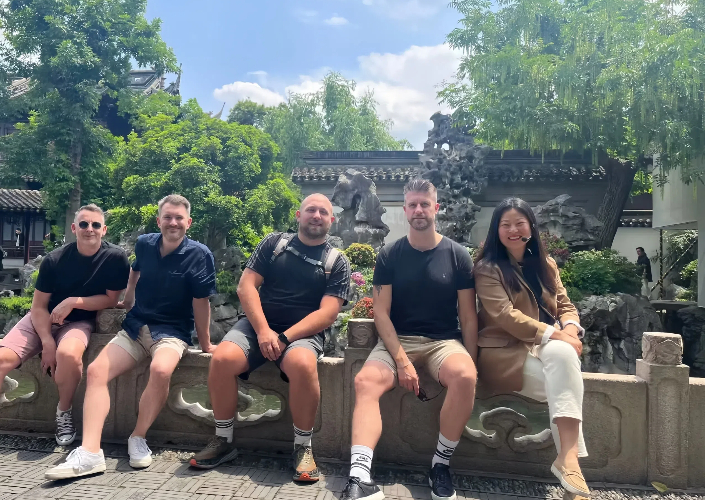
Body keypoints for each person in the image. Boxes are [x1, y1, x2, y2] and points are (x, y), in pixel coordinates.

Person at [0, 204, 130, 469]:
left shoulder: (114, 258)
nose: (90, 230)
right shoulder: (55, 259)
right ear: (74, 228)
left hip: (78, 321)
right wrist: (47, 341)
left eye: (96, 225)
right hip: (42, 319)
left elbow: (111, 299)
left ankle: (63, 411)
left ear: (104, 229)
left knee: (69, 355)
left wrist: (73, 302)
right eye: (84, 224)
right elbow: (38, 307)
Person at [45, 195, 217, 480]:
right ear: (158, 220)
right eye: (167, 217)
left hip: (172, 331)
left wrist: (206, 342)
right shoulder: (146, 244)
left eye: (178, 218)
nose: (172, 222)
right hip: (137, 327)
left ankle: (138, 437)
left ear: (188, 222)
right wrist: (127, 300)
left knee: (160, 369)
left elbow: (201, 302)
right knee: (97, 371)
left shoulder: (200, 254)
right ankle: (90, 452)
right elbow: (134, 272)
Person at [189, 194, 350, 483]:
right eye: (310, 210)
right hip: (257, 325)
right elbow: (246, 286)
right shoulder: (275, 244)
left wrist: (285, 337)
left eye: (323, 212)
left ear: (331, 220)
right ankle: (223, 440)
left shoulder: (336, 261)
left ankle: (303, 446)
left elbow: (327, 314)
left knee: (302, 364)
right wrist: (264, 332)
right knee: (223, 359)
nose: (316, 215)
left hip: (302, 333)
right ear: (298, 215)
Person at [340, 179, 478, 500]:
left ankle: (440, 466)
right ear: (405, 210)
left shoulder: (458, 256)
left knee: (465, 376)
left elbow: (469, 317)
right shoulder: (390, 254)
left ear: (435, 208)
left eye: (425, 204)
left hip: (442, 341)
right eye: (413, 205)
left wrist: (473, 361)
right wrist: (402, 361)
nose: (419, 210)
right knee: (365, 381)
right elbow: (381, 314)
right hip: (397, 338)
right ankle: (359, 477)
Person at [473, 197, 589, 498]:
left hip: (545, 345)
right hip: (505, 351)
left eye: (519, 223)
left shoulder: (546, 264)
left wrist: (571, 328)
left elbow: (565, 304)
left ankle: (568, 461)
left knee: (564, 363)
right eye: (505, 224)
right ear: (496, 230)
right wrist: (557, 334)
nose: (513, 230)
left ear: (531, 227)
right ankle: (571, 468)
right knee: (564, 383)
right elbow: (504, 315)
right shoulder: (487, 268)